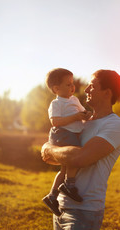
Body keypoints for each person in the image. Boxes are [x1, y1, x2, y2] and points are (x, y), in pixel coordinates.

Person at [41, 69, 120, 230]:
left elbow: (79, 158)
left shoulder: (115, 125)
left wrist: (48, 147)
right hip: (60, 207)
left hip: (84, 211)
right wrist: (54, 152)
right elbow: (53, 160)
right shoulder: (81, 123)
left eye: (92, 85)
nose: (86, 89)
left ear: (107, 92)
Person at [42, 68, 92, 216]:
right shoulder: (56, 104)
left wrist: (87, 115)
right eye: (68, 84)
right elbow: (55, 121)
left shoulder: (74, 100)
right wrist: (75, 118)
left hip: (72, 134)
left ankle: (52, 196)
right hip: (62, 134)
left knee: (63, 169)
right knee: (73, 158)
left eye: (72, 83)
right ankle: (69, 185)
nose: (72, 87)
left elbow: (82, 114)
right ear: (56, 89)